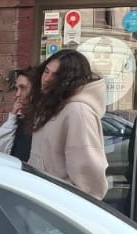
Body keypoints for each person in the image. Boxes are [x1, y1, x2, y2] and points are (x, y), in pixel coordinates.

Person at [25, 49, 109, 199]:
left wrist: (72, 205)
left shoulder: (78, 111)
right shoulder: (51, 105)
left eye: (56, 75)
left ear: (70, 80)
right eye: (46, 71)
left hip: (60, 204)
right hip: (42, 197)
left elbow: (89, 174)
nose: (46, 79)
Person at [0, 66, 37, 163]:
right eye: (17, 88)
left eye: (23, 88)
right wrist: (13, 116)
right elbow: (4, 146)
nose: (17, 94)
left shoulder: (43, 120)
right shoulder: (22, 118)